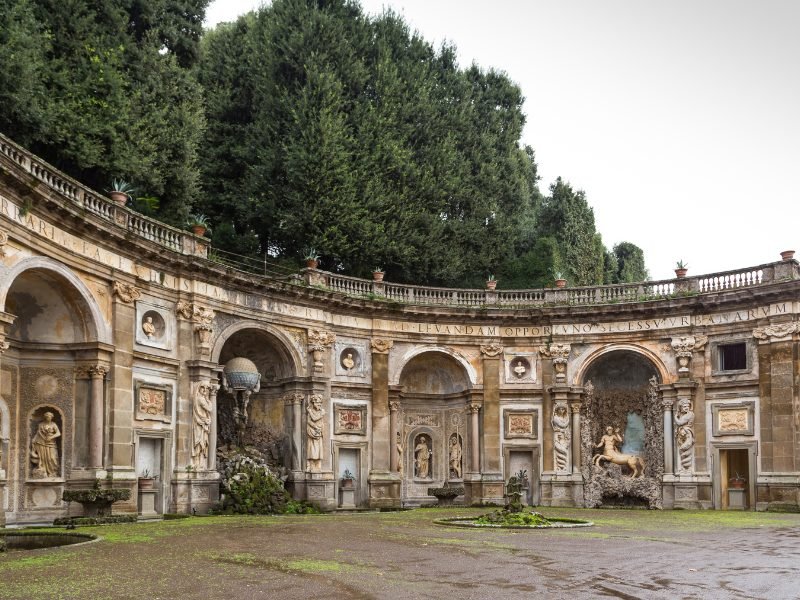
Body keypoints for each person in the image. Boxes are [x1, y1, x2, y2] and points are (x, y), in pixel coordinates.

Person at [31, 411, 61, 478]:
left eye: (50, 416)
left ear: (52, 417)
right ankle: (44, 472)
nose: (48, 418)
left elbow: (58, 433)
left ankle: (53, 472)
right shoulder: (41, 424)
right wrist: (41, 438)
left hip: (51, 443)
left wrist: (51, 437)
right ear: (45, 417)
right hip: (41, 442)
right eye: (47, 416)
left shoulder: (53, 424)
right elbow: (38, 432)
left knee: (52, 458)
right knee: (43, 458)